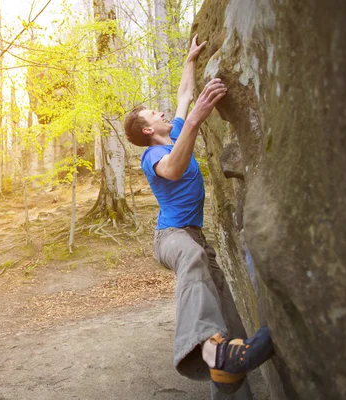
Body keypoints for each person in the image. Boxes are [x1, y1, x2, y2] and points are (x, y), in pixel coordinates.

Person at [123, 35, 274, 398]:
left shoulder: (174, 131)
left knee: (229, 318)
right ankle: (207, 349)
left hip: (196, 237)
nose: (162, 113)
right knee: (190, 258)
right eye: (153, 115)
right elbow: (173, 171)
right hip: (171, 237)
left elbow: (184, 95)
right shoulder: (151, 158)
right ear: (148, 130)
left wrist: (190, 59)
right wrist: (193, 122)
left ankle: (227, 364)